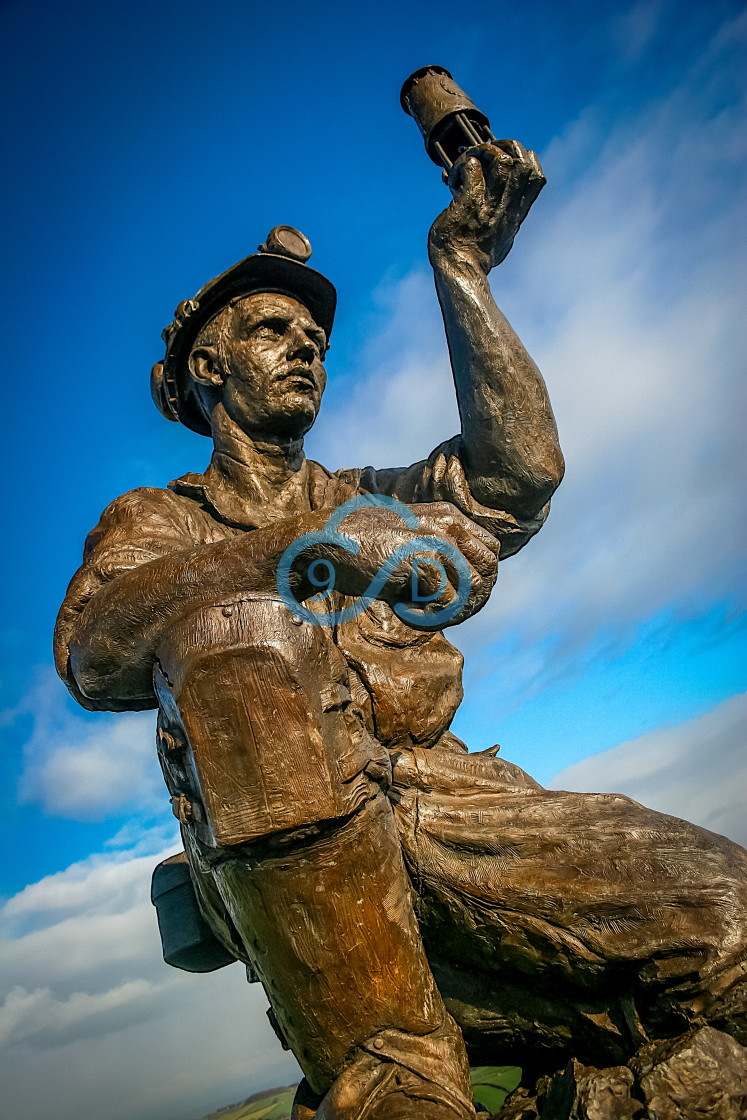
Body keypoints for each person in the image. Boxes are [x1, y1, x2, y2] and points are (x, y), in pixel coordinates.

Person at [55, 145, 746, 1119]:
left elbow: (515, 480)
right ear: (210, 364)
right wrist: (307, 551)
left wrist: (461, 270)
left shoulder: (367, 500)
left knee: (736, 936)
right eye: (272, 330)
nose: (307, 347)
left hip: (453, 808)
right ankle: (390, 1073)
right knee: (234, 639)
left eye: (317, 338)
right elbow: (92, 650)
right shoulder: (160, 522)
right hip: (296, 851)